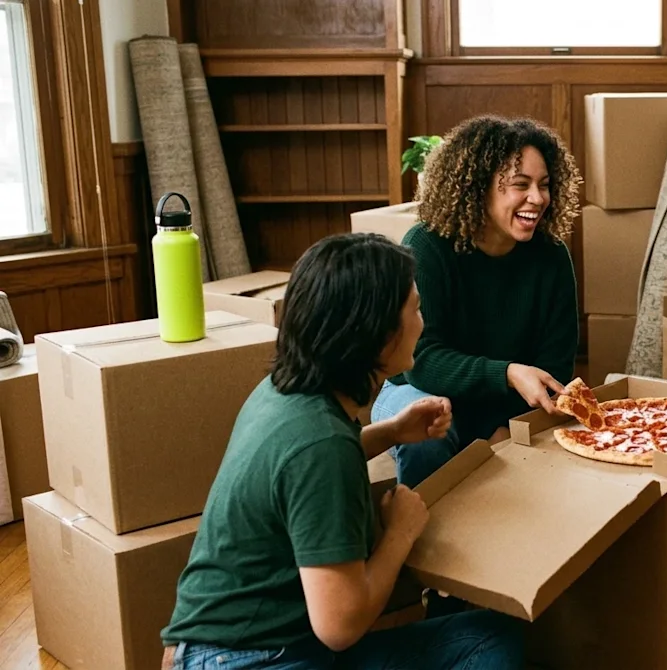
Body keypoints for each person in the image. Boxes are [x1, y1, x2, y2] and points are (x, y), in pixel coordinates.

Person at [161, 233, 524, 669]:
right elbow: (340, 626)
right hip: (251, 659)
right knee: (492, 647)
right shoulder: (321, 445)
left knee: (491, 637)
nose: (423, 324)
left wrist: (389, 431)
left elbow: (300, 474)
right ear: (378, 333)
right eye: (415, 309)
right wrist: (400, 533)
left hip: (211, 649)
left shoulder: (286, 393)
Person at [373, 115, 582, 489]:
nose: (538, 199)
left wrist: (506, 428)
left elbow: (554, 369)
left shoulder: (552, 256)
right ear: (477, 188)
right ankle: (421, 537)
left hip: (504, 403)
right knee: (427, 437)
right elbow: (423, 362)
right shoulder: (427, 245)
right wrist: (507, 375)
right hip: (416, 390)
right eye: (521, 185)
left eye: (545, 185)